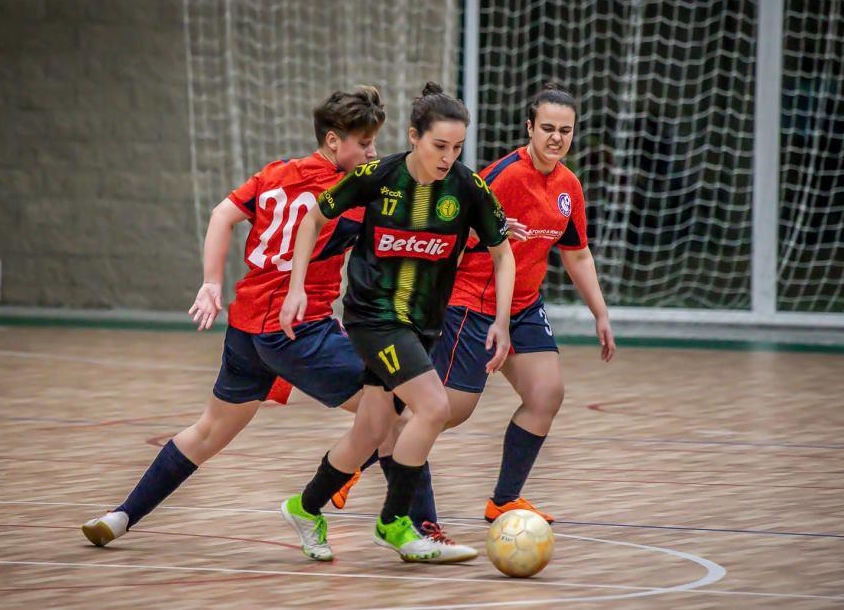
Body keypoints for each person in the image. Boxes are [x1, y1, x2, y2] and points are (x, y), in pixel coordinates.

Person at [80, 86, 387, 547]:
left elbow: (222, 215)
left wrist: (210, 282)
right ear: (332, 142)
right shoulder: (351, 195)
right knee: (396, 410)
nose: (372, 152)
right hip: (297, 326)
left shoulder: (274, 174)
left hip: (246, 325)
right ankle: (341, 488)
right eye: (364, 144)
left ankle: (122, 516)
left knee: (207, 432)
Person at [334, 83, 617, 529]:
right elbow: (449, 235)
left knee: (546, 395)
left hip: (523, 305)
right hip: (472, 303)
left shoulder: (569, 187)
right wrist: (492, 233)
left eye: (565, 130)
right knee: (449, 410)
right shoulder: (501, 176)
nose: (556, 138)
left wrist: (600, 313)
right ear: (529, 127)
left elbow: (576, 252)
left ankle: (504, 501)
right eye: (547, 128)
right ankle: (358, 457)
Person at [277, 82, 515, 564]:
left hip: (423, 325)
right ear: (413, 136)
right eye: (439, 146)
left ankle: (304, 508)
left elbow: (503, 254)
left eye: (457, 147)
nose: (449, 157)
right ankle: (394, 523)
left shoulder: (469, 189)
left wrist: (503, 321)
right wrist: (296, 287)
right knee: (432, 406)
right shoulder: (375, 176)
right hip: (373, 318)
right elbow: (312, 221)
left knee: (370, 431)